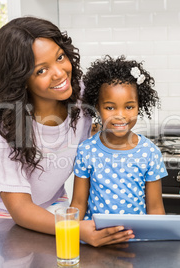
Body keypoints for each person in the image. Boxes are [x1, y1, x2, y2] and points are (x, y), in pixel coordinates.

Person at [0, 16, 134, 246]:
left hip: (51, 206)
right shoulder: (2, 126)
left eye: (60, 57)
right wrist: (76, 229)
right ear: (19, 80)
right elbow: (20, 208)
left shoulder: (81, 96)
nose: (59, 73)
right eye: (41, 70)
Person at [70, 55, 167, 220]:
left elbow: (156, 209)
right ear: (97, 108)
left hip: (136, 238)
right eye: (110, 107)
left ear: (139, 106)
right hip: (94, 238)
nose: (120, 115)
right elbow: (78, 204)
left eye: (129, 107)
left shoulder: (150, 152)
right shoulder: (86, 150)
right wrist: (69, 231)